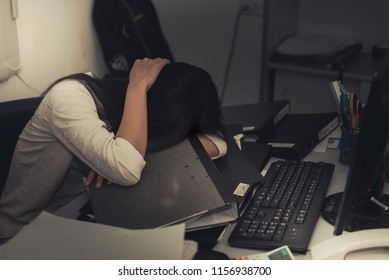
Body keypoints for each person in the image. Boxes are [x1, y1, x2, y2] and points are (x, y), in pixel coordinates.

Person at [0, 58, 227, 239]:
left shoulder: (120, 112)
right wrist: (137, 86)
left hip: (85, 213)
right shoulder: (68, 98)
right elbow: (126, 169)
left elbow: (219, 142)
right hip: (25, 232)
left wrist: (119, 154)